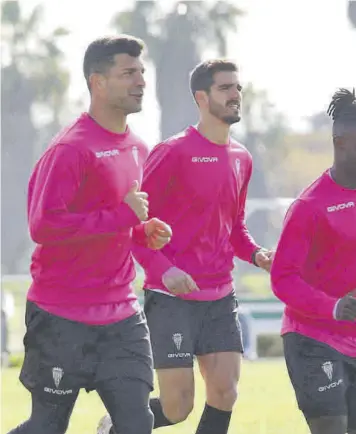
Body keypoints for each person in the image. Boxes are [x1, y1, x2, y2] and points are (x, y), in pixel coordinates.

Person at [97, 59, 273, 434]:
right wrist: (165, 270)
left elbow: (234, 227)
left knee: (225, 392)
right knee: (178, 407)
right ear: (202, 97)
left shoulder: (242, 158)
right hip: (171, 298)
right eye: (225, 88)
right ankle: (116, 426)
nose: (235, 95)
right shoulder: (173, 152)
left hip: (220, 296)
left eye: (237, 87)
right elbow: (134, 227)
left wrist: (257, 254)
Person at [8, 35, 172, 434]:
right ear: (98, 83)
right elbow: (43, 226)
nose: (141, 82)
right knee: (47, 426)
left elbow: (123, 224)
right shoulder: (70, 149)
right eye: (128, 73)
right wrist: (121, 216)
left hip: (122, 314)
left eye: (142, 73)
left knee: (137, 422)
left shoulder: (138, 148)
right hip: (61, 315)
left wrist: (142, 230)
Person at [270, 88, 356, 434]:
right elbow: (282, 278)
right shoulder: (309, 206)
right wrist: (331, 306)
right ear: (340, 144)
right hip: (312, 339)